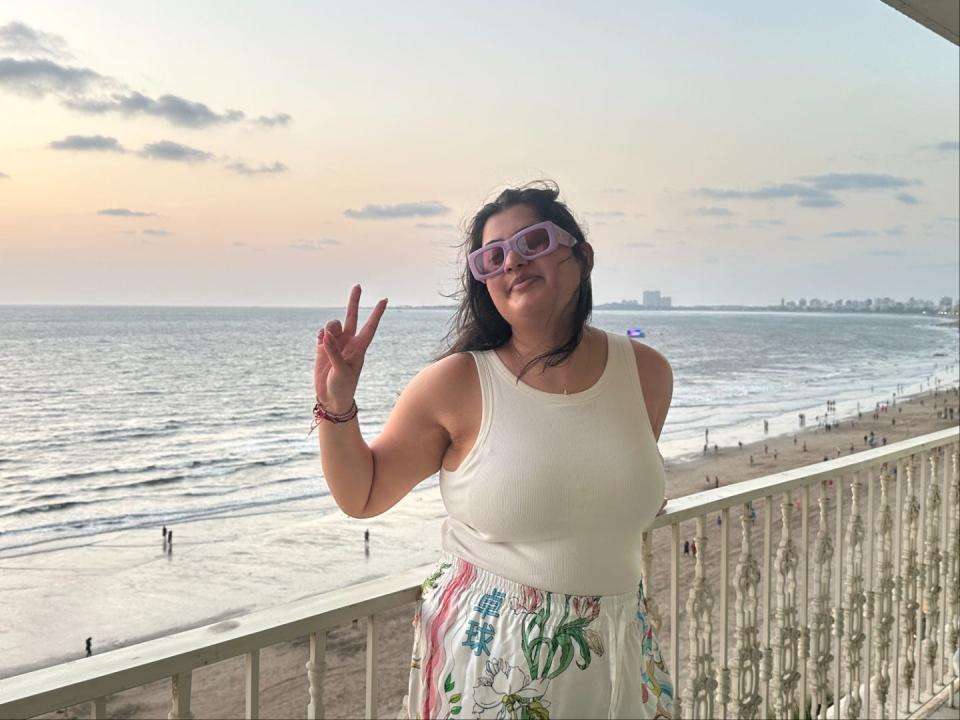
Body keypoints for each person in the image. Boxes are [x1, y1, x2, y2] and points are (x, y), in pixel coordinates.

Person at [313, 183, 673, 719]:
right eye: (493, 256)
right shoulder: (456, 383)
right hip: (496, 661)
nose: (513, 263)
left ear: (582, 255)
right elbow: (362, 495)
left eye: (533, 242)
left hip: (618, 646)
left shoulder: (646, 373)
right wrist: (336, 404)